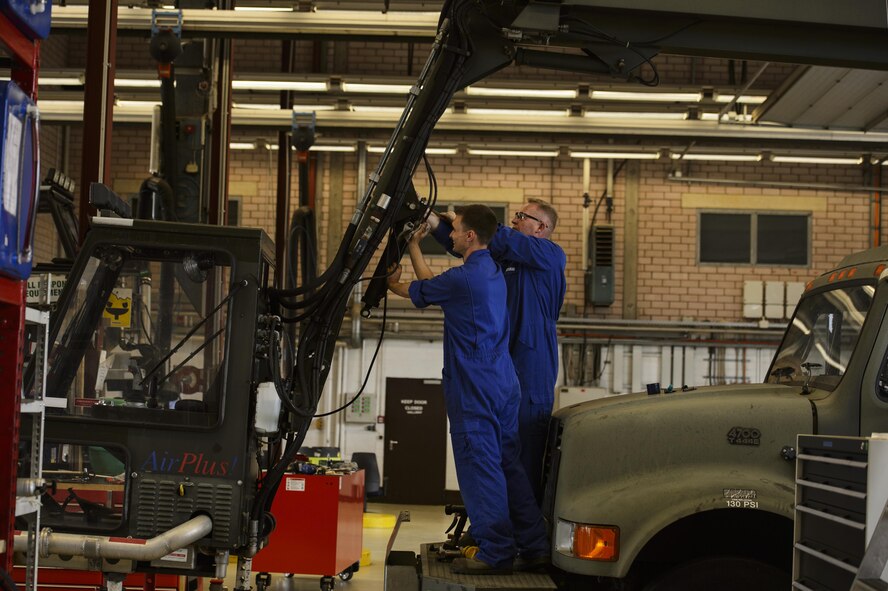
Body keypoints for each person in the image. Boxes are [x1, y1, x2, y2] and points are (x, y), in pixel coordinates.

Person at [387, 204, 549, 575]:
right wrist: (416, 246)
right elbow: (435, 286)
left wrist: (392, 280)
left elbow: (415, 288)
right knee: (508, 465)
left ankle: (496, 552)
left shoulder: (464, 280)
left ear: (471, 236)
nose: (453, 234)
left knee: (479, 468)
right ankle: (534, 544)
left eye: (456, 229)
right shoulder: (489, 269)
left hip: (475, 385)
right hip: (503, 383)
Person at [428, 199, 566, 505]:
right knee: (493, 450)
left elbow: (491, 235)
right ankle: (500, 523)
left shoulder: (551, 256)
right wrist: (435, 223)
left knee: (524, 452)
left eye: (522, 216)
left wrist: (469, 220)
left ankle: (524, 532)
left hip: (532, 366)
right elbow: (472, 244)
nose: (515, 220)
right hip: (501, 365)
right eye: (514, 216)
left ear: (542, 227)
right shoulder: (503, 260)